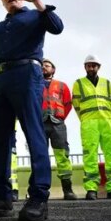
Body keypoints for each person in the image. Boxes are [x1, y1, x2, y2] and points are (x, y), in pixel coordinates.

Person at [0, 0, 64, 221]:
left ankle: (39, 197)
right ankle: (0, 198)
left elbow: (57, 26)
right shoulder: (1, 27)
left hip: (27, 75)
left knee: (34, 133)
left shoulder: (35, 16)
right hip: (0, 79)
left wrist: (38, 2)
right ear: (1, 0)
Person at [72, 55, 111, 200]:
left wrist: (106, 117)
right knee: (90, 154)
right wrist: (85, 118)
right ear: (85, 67)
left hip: (107, 121)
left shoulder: (107, 83)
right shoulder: (78, 83)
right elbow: (76, 105)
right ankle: (91, 188)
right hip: (89, 123)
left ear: (98, 67)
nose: (91, 68)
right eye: (89, 65)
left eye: (94, 65)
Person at [42, 58, 77, 200]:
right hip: (40, 124)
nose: (44, 67)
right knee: (40, 157)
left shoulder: (62, 86)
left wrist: (60, 117)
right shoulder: (34, 84)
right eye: (42, 65)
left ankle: (67, 189)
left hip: (58, 125)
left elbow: (68, 104)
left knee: (62, 156)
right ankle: (41, 191)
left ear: (53, 69)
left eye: (47, 65)